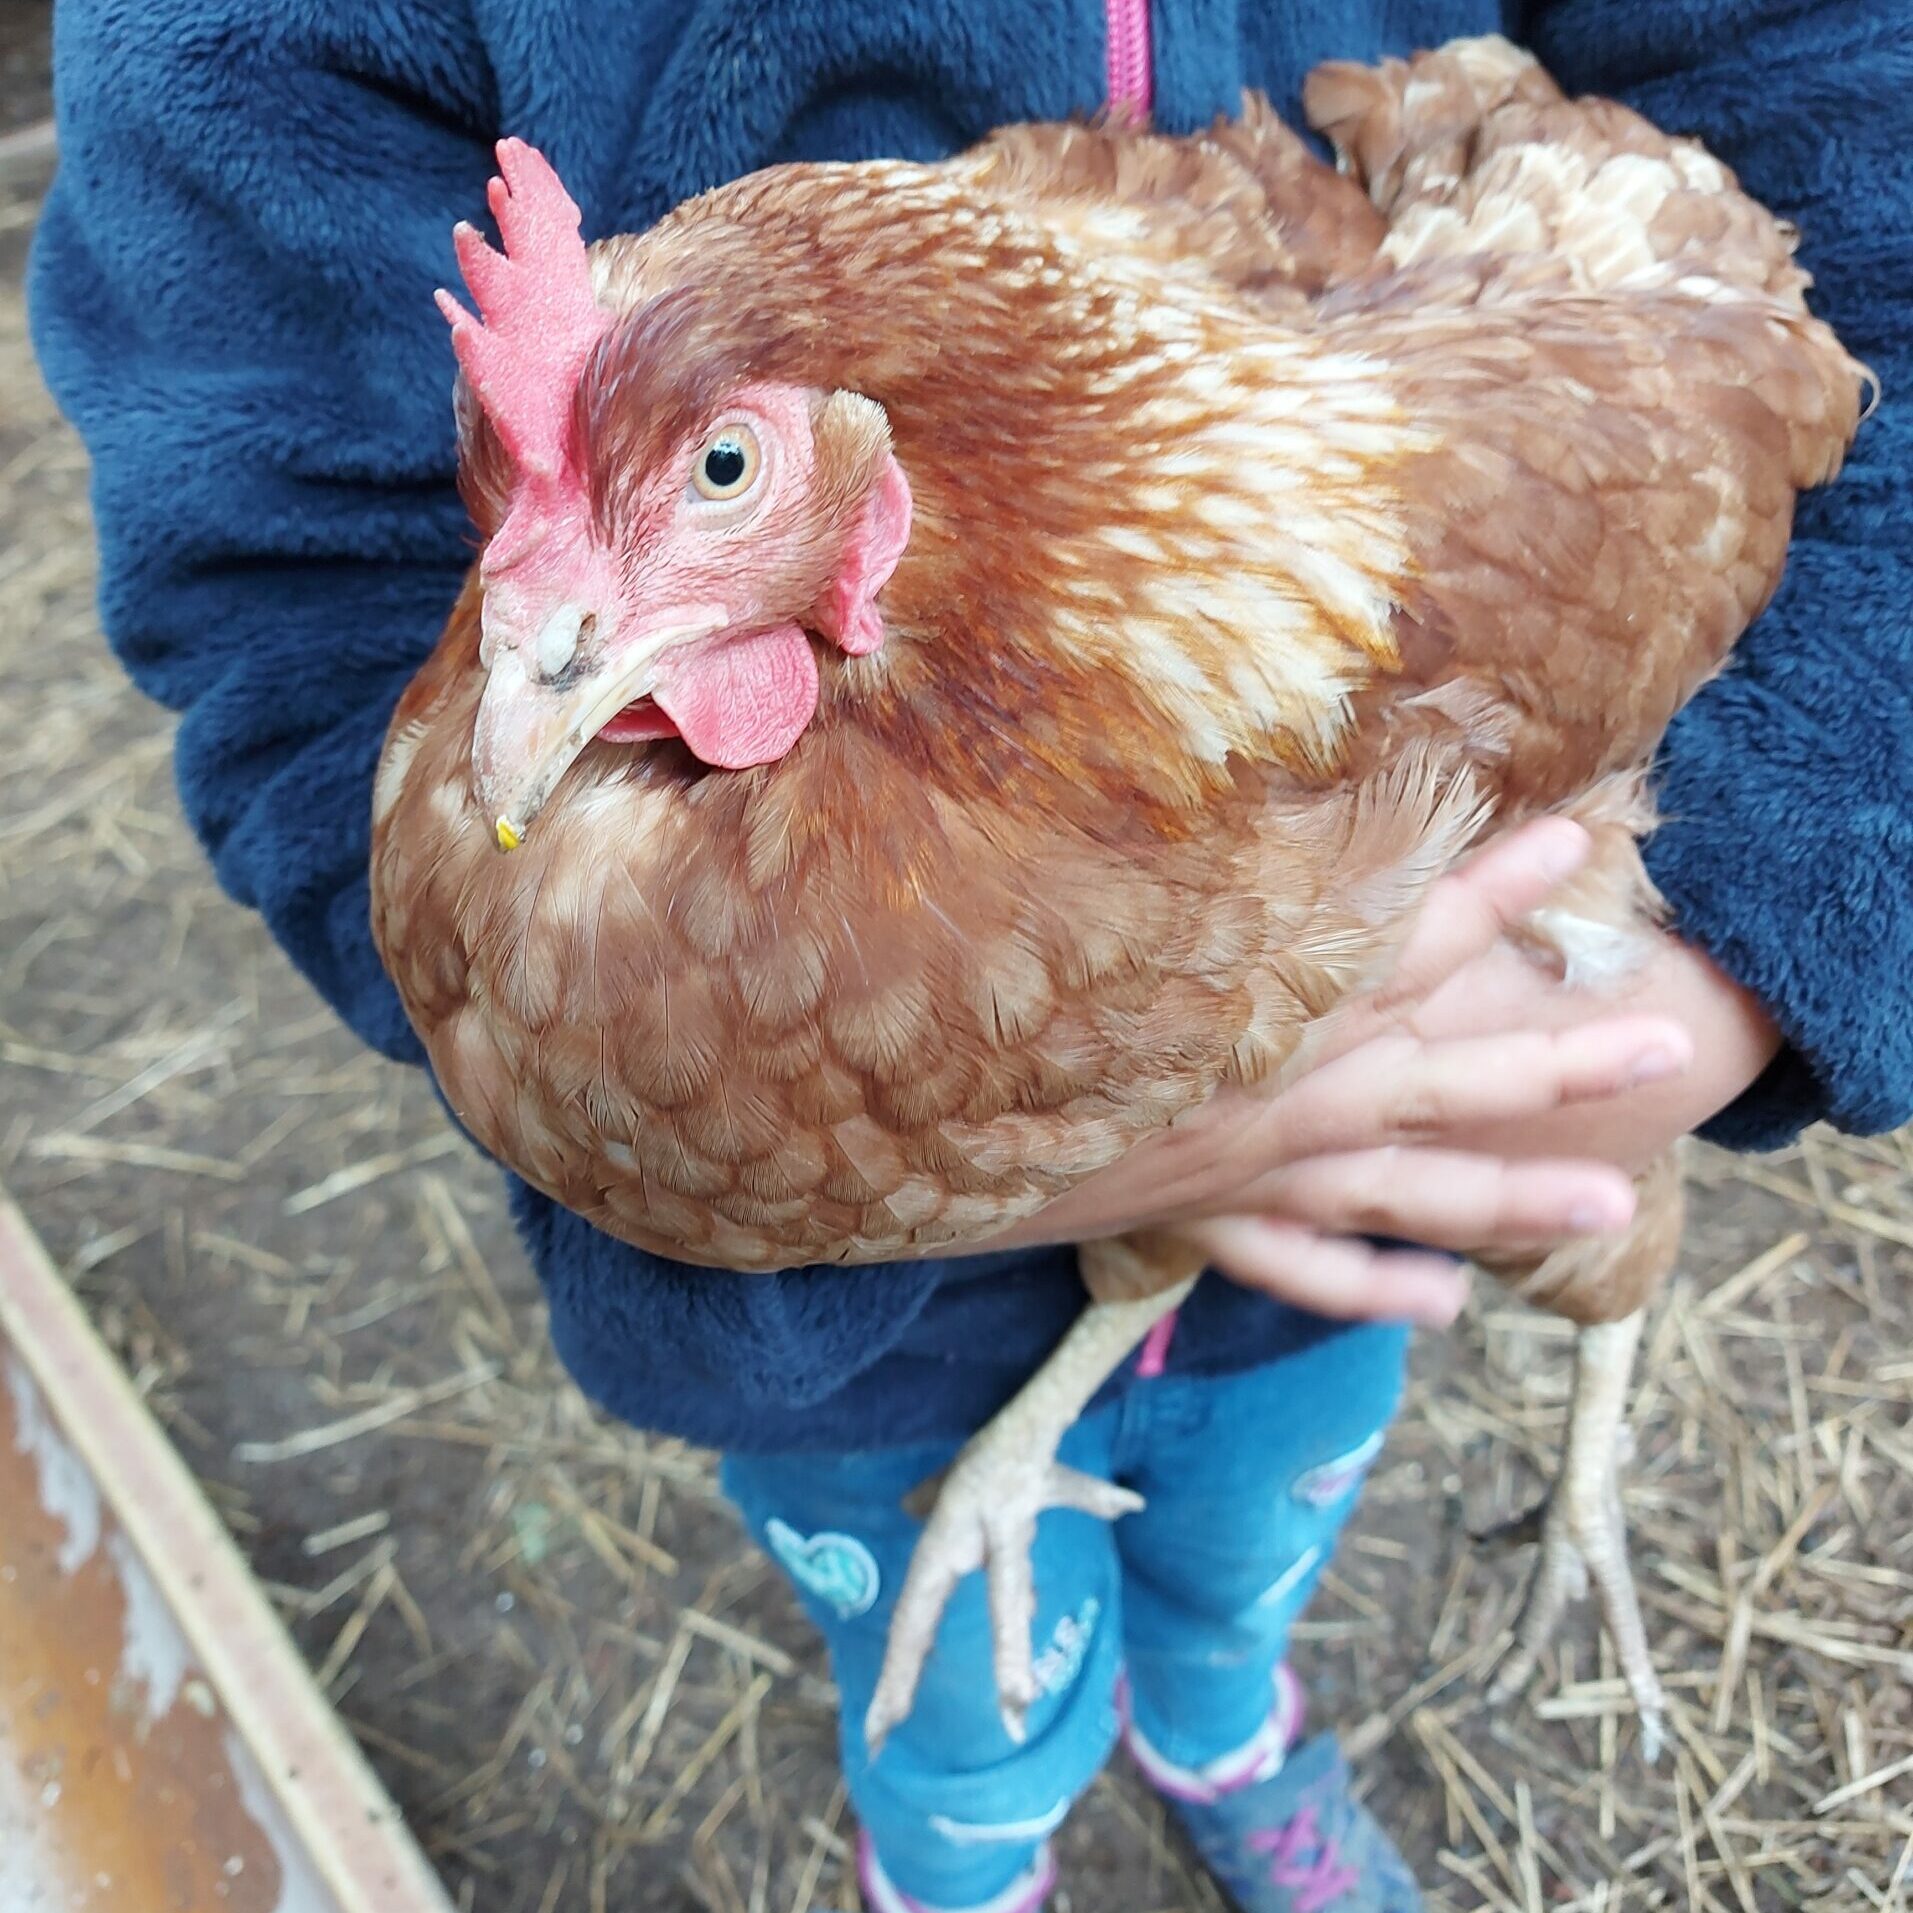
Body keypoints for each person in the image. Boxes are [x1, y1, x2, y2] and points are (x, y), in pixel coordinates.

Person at [30, 4, 1910, 1910]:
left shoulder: (1438, 614)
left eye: (722, 478)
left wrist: (1737, 971)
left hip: (1360, 1238)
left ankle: (1226, 1733)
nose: (523, 665)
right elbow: (281, 583)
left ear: (882, 490)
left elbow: (1823, 162)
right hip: (845, 1366)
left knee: (1253, 1541)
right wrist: (1079, 1150)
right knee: (954, 1704)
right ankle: (963, 1850)